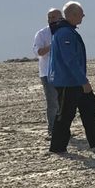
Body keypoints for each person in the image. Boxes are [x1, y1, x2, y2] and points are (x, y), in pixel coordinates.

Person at [48, 1, 95, 153]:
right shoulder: (64, 33)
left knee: (90, 108)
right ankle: (57, 147)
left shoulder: (67, 31)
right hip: (68, 83)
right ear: (72, 15)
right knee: (65, 114)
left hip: (75, 81)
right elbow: (70, 60)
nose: (83, 16)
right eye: (81, 13)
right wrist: (83, 81)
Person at [33, 7, 63, 136]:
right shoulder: (42, 34)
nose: (51, 20)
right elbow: (38, 52)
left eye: (53, 17)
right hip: (47, 72)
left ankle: (63, 127)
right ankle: (53, 129)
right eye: (49, 18)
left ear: (60, 18)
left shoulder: (65, 32)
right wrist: (52, 45)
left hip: (63, 72)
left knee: (63, 102)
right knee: (52, 102)